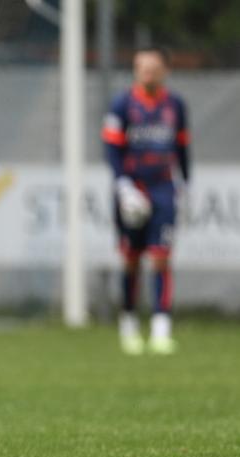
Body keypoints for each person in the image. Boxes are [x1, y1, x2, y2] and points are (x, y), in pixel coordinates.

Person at [101, 46, 190, 355]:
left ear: (165, 70)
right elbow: (111, 150)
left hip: (163, 189)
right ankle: (128, 324)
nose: (147, 73)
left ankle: (161, 329)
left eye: (153, 68)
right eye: (142, 68)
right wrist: (122, 185)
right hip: (132, 190)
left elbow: (182, 148)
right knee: (131, 259)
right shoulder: (122, 104)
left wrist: (186, 185)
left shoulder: (175, 105)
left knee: (162, 257)